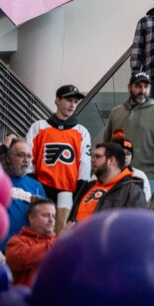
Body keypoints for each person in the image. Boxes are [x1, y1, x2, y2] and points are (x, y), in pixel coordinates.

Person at [102, 71, 154, 195]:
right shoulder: (116, 112)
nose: (143, 90)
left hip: (146, 177)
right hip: (116, 175)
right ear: (129, 87)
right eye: (138, 86)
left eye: (146, 86)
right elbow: (107, 143)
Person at [26, 85, 92, 234]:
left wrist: (79, 192)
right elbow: (28, 157)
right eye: (69, 100)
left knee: (62, 234)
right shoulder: (38, 127)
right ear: (57, 100)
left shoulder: (82, 132)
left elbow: (85, 164)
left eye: (75, 101)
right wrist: (32, 184)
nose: (72, 104)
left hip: (68, 191)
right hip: (41, 188)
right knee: (39, 231)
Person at [68, 141, 148, 224]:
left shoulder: (132, 191)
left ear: (111, 161)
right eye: (93, 156)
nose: (92, 160)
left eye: (98, 156)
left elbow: (137, 225)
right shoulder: (88, 186)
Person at [0, 138, 45, 252]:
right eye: (20, 155)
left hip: (24, 251)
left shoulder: (37, 187)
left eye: (29, 156)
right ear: (8, 158)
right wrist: (2, 148)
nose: (26, 160)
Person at [5, 198, 56, 287]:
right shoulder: (16, 241)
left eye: (54, 216)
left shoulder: (58, 243)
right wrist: (57, 243)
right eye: (45, 215)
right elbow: (21, 260)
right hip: (23, 295)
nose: (51, 220)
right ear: (31, 218)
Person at [109, 133, 153, 202]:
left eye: (128, 154)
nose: (125, 157)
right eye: (121, 153)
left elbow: (147, 200)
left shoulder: (139, 175)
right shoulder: (103, 174)